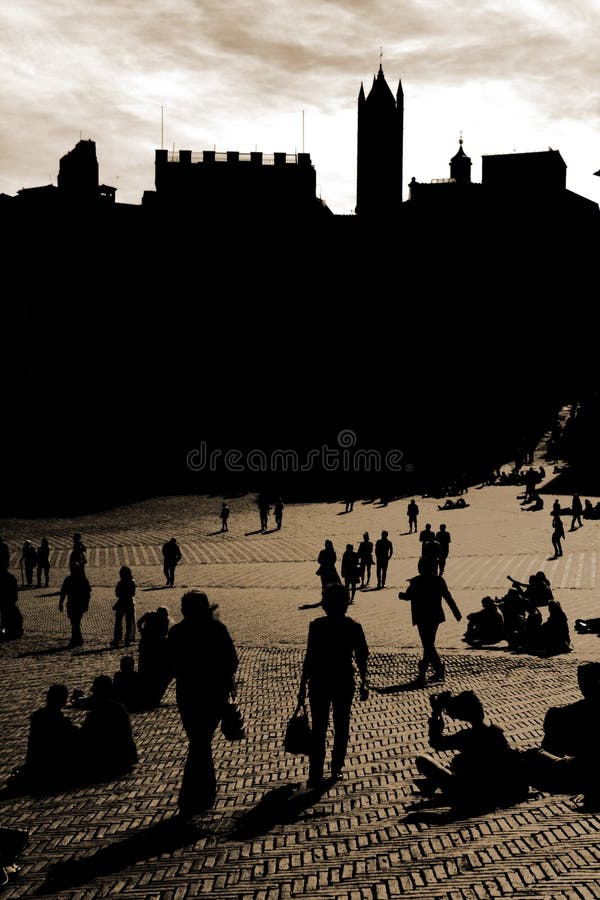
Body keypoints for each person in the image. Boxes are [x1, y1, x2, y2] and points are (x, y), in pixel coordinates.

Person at [167, 591, 238, 816]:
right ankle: (202, 791)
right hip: (214, 693)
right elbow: (232, 661)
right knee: (202, 740)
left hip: (188, 694)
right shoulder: (217, 630)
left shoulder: (177, 632)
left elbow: (172, 665)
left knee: (197, 739)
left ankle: (195, 792)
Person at [297, 583, 369, 789]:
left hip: (319, 681)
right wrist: (365, 681)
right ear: (345, 603)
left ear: (325, 604)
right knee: (341, 724)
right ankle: (337, 766)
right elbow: (362, 656)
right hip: (344, 681)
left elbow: (309, 658)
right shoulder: (354, 627)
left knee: (319, 728)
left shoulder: (317, 626)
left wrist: (302, 686)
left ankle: (315, 772)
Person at [415, 690, 527, 810]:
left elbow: (437, 743)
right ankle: (432, 784)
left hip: (474, 789)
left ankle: (434, 784)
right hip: (501, 785)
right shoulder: (495, 730)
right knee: (457, 763)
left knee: (423, 760)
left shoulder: (469, 736)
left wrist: (436, 714)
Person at [523, 662, 600, 809]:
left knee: (531, 755)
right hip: (584, 766)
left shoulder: (568, 714)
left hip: (582, 768)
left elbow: (552, 747)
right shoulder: (570, 713)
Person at [398, 558, 462, 686]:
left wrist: (400, 595)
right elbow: (448, 596)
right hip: (435, 617)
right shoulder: (438, 580)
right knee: (429, 644)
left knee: (427, 645)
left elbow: (407, 596)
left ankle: (434, 671)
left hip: (422, 617)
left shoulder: (417, 581)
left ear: (421, 568)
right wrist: (456, 612)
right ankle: (430, 672)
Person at [80, 675, 138, 778]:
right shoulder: (120, 707)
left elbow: (87, 735)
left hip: (110, 757)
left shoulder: (97, 712)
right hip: (126, 755)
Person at [24, 684, 80, 786]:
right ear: (62, 701)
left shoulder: (38, 716)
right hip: (51, 765)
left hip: (35, 762)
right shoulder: (59, 721)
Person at [137, 607, 172, 705]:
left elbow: (139, 622)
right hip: (154, 647)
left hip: (145, 645)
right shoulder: (164, 620)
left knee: (143, 666)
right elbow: (164, 634)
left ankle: (143, 689)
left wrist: (142, 631)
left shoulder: (149, 615)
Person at [58, 562, 91, 648]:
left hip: (74, 604)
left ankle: (76, 639)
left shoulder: (70, 580)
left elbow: (63, 593)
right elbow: (87, 594)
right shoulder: (82, 579)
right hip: (76, 604)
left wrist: (61, 603)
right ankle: (78, 639)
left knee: (75, 622)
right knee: (75, 622)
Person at [111, 565, 136, 647]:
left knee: (118, 622)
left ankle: (117, 638)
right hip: (129, 603)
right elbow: (132, 593)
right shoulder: (132, 582)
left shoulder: (120, 583)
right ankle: (128, 639)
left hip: (121, 603)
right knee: (129, 622)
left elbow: (117, 594)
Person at [0, 565, 23, 641]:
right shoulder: (11, 578)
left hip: (6, 602)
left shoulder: (10, 578)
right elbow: (15, 594)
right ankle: (5, 631)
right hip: (8, 602)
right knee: (5, 617)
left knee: (4, 617)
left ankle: (4, 631)